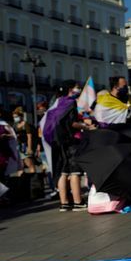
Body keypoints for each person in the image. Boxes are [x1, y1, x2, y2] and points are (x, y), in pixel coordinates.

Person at [41, 80, 92, 211]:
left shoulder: (57, 102)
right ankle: (78, 202)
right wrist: (85, 126)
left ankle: (64, 203)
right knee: (75, 172)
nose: (79, 90)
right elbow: (72, 123)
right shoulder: (71, 103)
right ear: (70, 89)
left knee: (62, 172)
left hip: (58, 142)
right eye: (77, 87)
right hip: (71, 141)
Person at [11, 107, 36, 174]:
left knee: (29, 163)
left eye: (16, 116)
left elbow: (29, 137)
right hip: (18, 147)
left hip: (25, 146)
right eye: (14, 117)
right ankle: (21, 182)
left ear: (20, 116)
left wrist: (30, 148)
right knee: (20, 166)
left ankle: (34, 180)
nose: (15, 118)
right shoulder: (15, 125)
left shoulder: (25, 124)